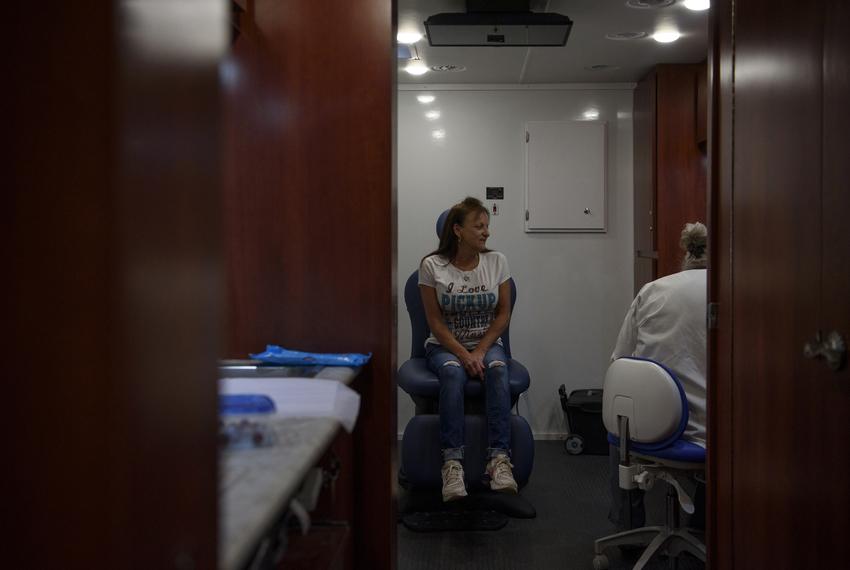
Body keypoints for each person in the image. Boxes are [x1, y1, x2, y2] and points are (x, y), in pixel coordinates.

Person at [608, 221, 708, 531]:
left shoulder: (654, 290)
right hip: (712, 436)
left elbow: (620, 362)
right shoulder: (737, 292)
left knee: (619, 436)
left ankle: (628, 527)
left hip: (651, 428)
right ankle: (702, 527)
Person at [419, 197, 518, 502]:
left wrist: (480, 351)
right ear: (458, 230)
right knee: (451, 373)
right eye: (479, 226)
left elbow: (503, 314)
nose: (486, 232)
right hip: (445, 347)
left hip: (486, 345)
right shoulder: (431, 266)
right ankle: (452, 465)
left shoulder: (497, 261)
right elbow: (435, 324)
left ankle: (499, 461)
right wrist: (464, 355)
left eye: (487, 226)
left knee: (498, 369)